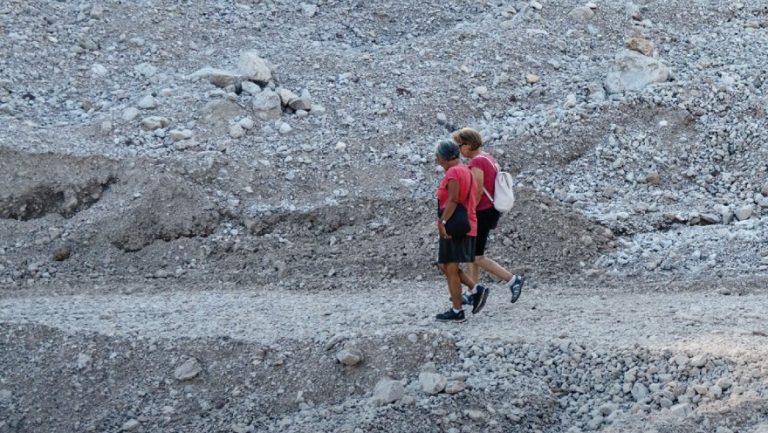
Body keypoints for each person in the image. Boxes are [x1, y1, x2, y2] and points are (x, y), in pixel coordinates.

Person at [453, 127, 525, 303]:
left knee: (476, 256)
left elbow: (476, 191)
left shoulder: (477, 162)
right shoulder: (488, 158)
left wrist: (468, 212)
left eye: (460, 146)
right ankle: (473, 290)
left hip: (482, 212)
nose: (459, 151)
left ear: (468, 145)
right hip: (489, 211)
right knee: (472, 253)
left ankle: (513, 280)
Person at [434, 140, 489, 323]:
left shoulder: (454, 172)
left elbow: (454, 200)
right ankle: (475, 289)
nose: (436, 159)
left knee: (449, 267)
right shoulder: (465, 170)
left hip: (455, 225)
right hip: (464, 223)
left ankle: (457, 311)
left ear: (445, 157)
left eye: (438, 156)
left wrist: (442, 221)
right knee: (446, 265)